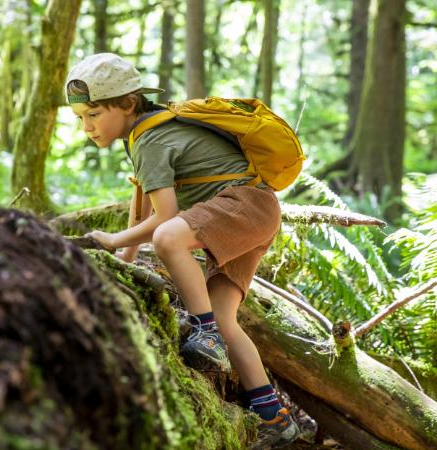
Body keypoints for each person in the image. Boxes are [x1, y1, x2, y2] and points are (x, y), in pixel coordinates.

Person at [65, 53, 299, 448]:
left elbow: (165, 220)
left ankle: (205, 335)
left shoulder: (150, 140)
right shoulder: (147, 134)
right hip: (259, 210)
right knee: (226, 317)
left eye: (94, 115)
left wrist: (109, 243)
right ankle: (275, 416)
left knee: (170, 240)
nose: (87, 127)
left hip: (244, 206)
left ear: (126, 104)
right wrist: (121, 262)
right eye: (80, 118)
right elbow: (140, 213)